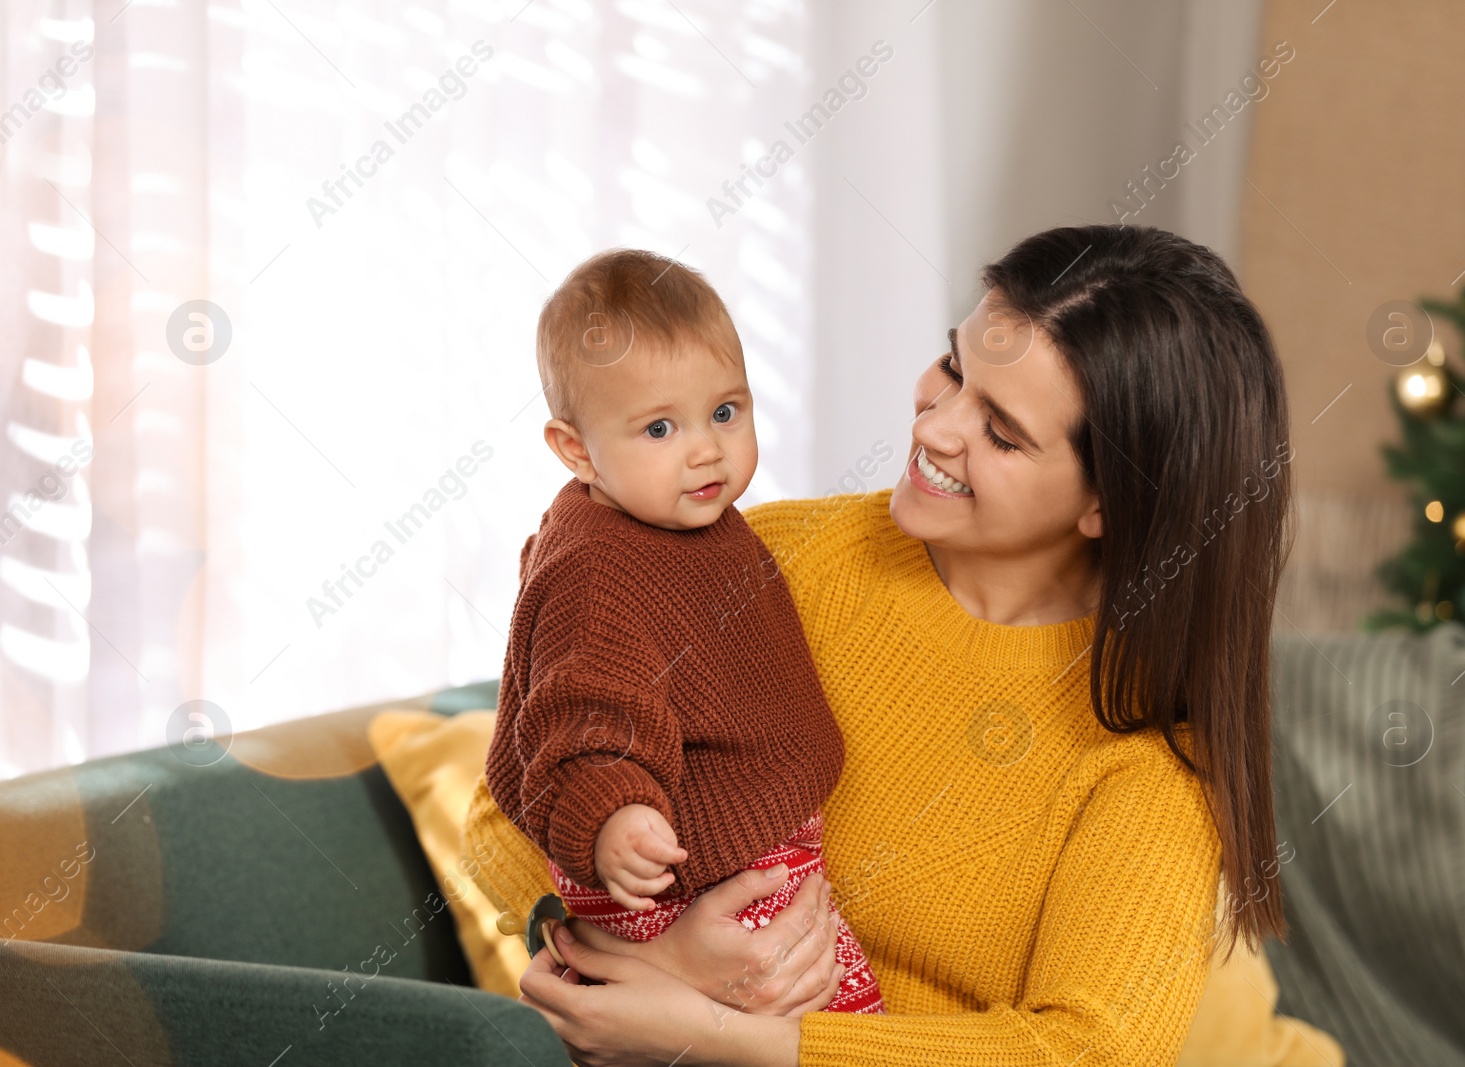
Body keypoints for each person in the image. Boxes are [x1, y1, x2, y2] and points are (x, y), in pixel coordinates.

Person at [479, 224, 1293, 1066]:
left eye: (1002, 432)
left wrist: (727, 1033)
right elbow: (511, 800)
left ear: (1108, 505)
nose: (938, 426)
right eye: (953, 367)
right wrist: (641, 959)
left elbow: (1088, 1053)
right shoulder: (763, 558)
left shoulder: (1146, 749)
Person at [483, 248, 883, 1016]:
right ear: (575, 450)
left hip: (746, 853)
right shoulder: (598, 567)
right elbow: (580, 712)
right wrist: (613, 813)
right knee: (822, 1018)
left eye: (726, 412)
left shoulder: (693, 522)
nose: (707, 449)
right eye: (660, 427)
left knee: (830, 1015)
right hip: (678, 873)